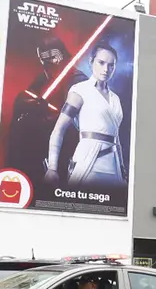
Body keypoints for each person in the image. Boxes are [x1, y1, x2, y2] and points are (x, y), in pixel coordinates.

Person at [44, 42, 126, 187]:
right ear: (91, 62)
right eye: (101, 63)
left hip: (114, 166)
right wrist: (52, 168)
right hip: (88, 160)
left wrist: (122, 168)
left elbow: (116, 136)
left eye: (111, 65)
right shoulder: (80, 91)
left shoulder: (115, 99)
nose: (106, 69)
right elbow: (58, 130)